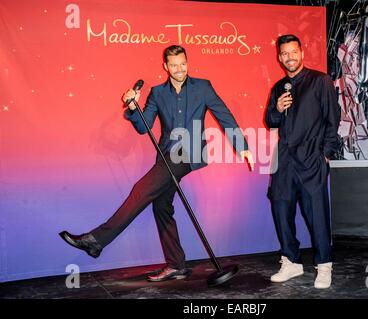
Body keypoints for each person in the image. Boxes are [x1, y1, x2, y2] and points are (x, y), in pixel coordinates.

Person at [59, 45, 254, 282]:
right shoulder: (158, 93)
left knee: (142, 190)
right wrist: (133, 107)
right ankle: (176, 265)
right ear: (165, 66)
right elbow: (143, 127)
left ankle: (96, 240)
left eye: (183, 64)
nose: (180, 69)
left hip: (190, 150)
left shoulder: (203, 87)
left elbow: (224, 115)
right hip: (167, 154)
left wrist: (242, 146)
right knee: (161, 205)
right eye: (174, 65)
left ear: (187, 62)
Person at [265, 35, 340, 289]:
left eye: (293, 52)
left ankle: (324, 265)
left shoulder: (320, 81)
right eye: (284, 53)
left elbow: (333, 118)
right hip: (284, 160)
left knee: (317, 214)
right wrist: (277, 106)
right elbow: (270, 120)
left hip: (311, 158)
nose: (289, 57)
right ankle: (291, 261)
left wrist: (326, 152)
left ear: (301, 52)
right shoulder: (279, 87)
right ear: (279, 57)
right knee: (281, 210)